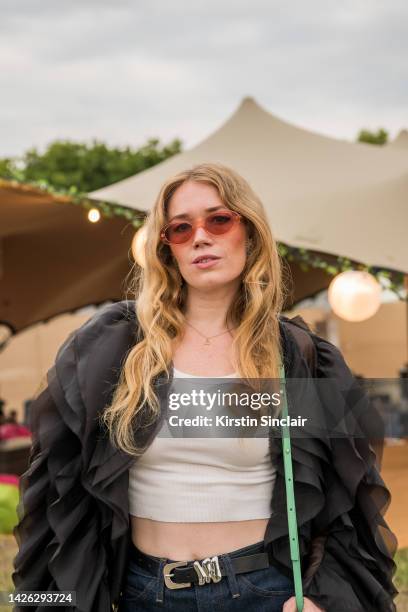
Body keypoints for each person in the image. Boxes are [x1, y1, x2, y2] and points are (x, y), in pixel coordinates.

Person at [12, 163, 398, 612]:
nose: (200, 237)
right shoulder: (113, 349)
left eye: (218, 219)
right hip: (142, 594)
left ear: (249, 233)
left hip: (263, 593)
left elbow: (349, 498)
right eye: (180, 228)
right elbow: (58, 490)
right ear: (166, 248)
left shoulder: (297, 356)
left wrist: (320, 598)